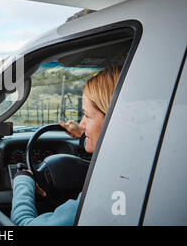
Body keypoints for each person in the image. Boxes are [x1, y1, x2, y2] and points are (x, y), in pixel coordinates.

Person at [11, 65, 122, 226]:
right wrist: (83, 136)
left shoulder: (104, 195)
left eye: (86, 115)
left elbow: (24, 223)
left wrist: (23, 180)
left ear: (112, 120)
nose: (82, 124)